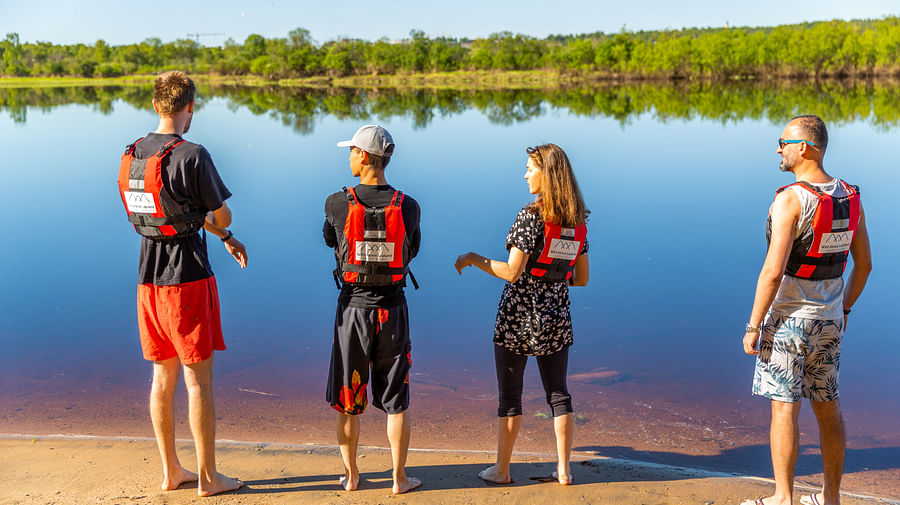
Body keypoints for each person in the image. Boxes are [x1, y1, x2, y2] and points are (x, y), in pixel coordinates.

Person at [117, 71, 247, 497]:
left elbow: (170, 213)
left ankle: (172, 470)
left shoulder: (132, 153)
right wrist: (226, 227)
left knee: (162, 377)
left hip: (147, 279)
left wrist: (223, 238)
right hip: (187, 278)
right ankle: (209, 478)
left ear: (156, 105)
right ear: (190, 107)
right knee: (199, 382)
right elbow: (218, 213)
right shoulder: (193, 154)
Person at [741, 115, 871, 505]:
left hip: (787, 323)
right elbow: (864, 266)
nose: (778, 149)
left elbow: (772, 271)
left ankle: (783, 498)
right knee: (827, 407)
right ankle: (830, 499)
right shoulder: (849, 196)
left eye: (783, 141)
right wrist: (844, 308)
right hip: (830, 320)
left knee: (784, 408)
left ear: (805, 148)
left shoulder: (791, 199)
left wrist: (752, 326)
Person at [454, 143, 590, 486]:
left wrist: (473, 258)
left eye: (531, 169)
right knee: (559, 393)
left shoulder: (530, 216)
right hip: (556, 315)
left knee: (510, 396)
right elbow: (583, 278)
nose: (525, 174)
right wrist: (551, 280)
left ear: (548, 175)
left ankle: (502, 470)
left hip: (519, 315)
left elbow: (513, 271)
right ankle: (564, 469)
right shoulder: (577, 221)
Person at [323, 125, 422, 494]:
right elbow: (412, 248)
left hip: (352, 312)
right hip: (393, 310)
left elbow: (331, 239)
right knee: (397, 400)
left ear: (364, 157)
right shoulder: (408, 206)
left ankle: (351, 476)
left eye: (351, 151)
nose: (348, 156)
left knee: (349, 400)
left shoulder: (336, 201)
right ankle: (399, 479)